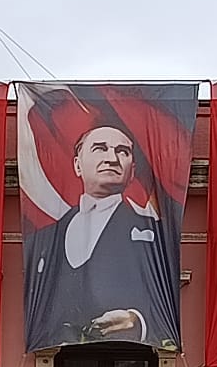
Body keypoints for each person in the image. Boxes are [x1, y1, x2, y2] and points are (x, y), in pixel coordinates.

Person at [25, 124, 181, 351]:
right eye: (100, 148)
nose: (112, 159)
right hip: (64, 359)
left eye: (122, 152)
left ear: (132, 171)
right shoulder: (45, 240)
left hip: (130, 359)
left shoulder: (154, 235)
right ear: (77, 165)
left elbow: (163, 295)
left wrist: (137, 321)